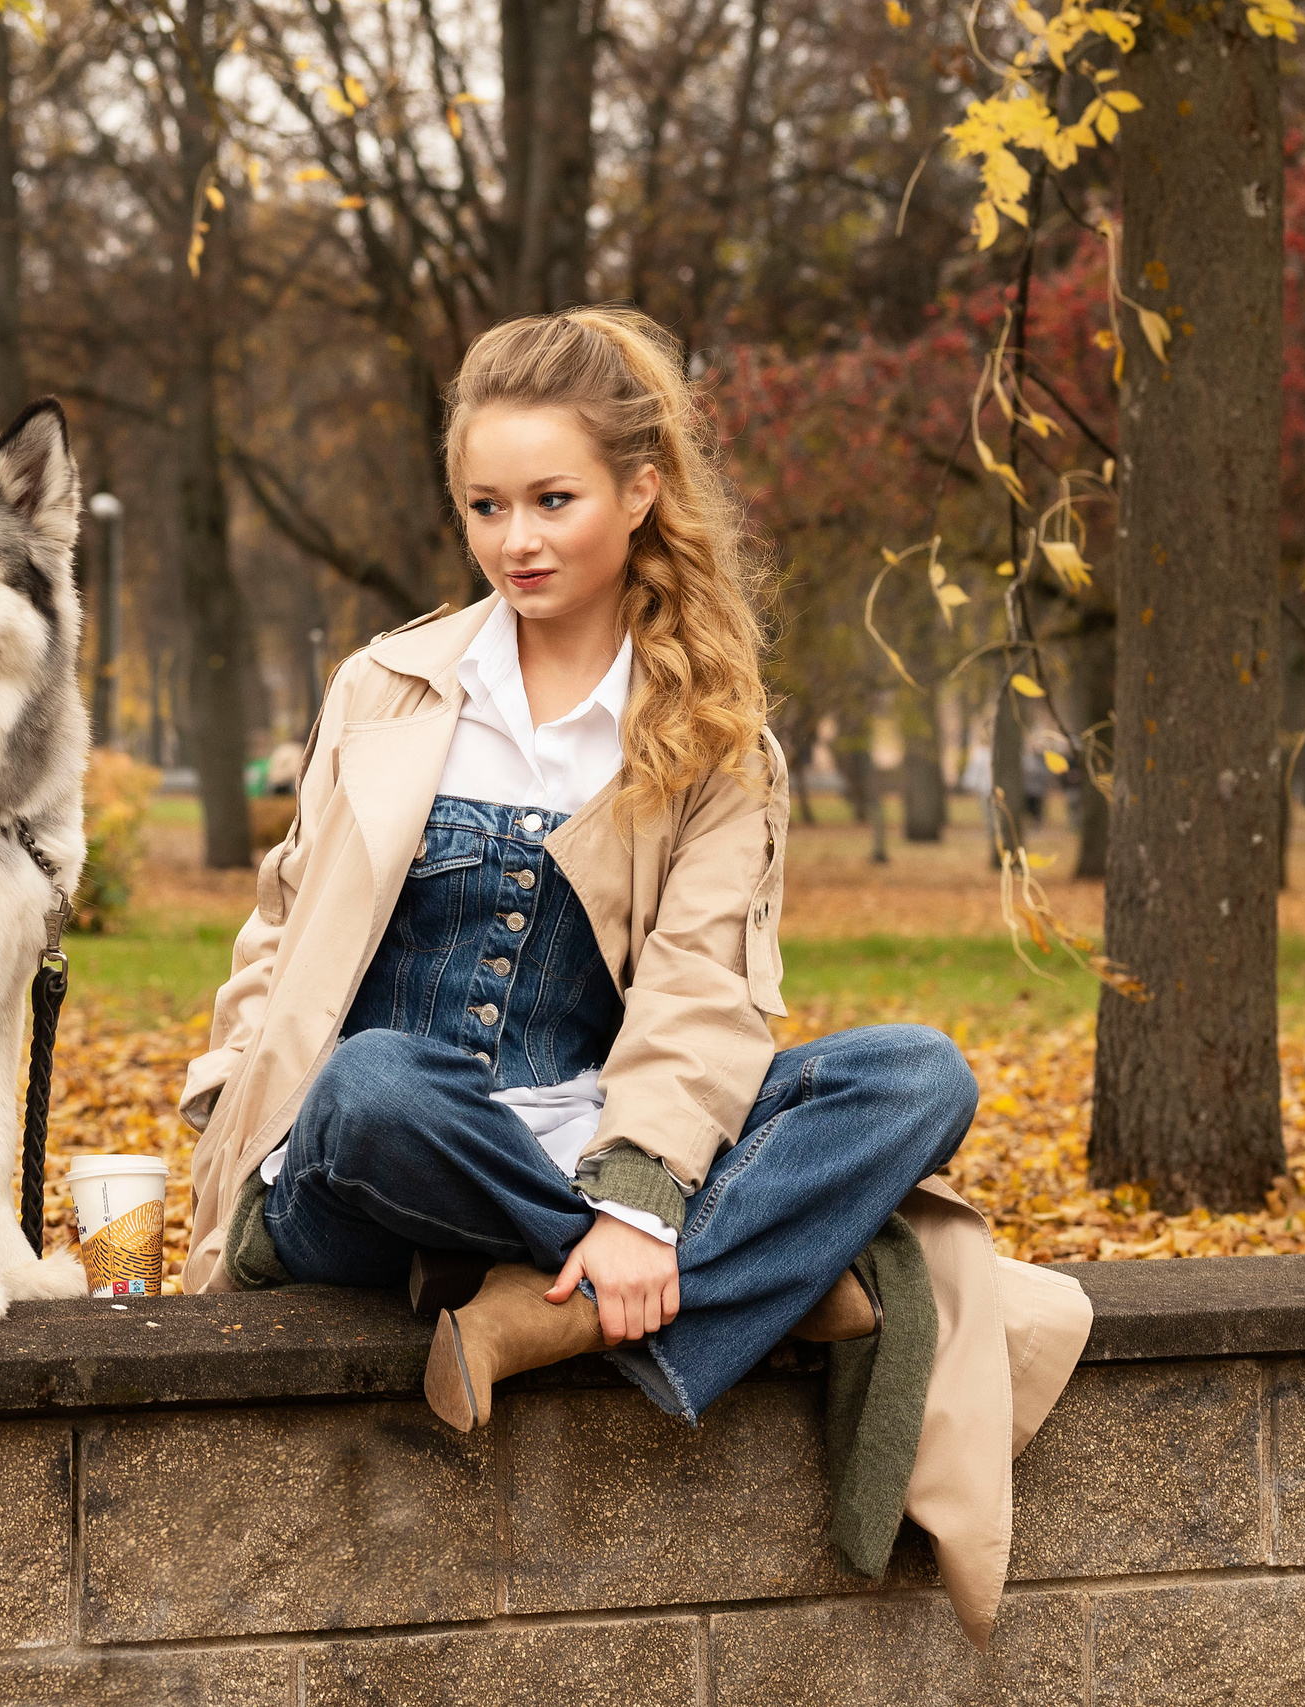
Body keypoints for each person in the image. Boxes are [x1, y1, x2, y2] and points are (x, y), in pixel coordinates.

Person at [177, 307, 1089, 1644]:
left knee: (913, 1075)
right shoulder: (389, 689)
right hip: (368, 1164)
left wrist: (640, 1200)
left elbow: (702, 996)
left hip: (579, 1160)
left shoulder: (714, 737)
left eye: (553, 499)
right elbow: (279, 931)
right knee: (375, 1083)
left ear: (641, 490)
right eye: (486, 505)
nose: (516, 540)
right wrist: (224, 1107)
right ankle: (746, 1286)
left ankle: (544, 1312)